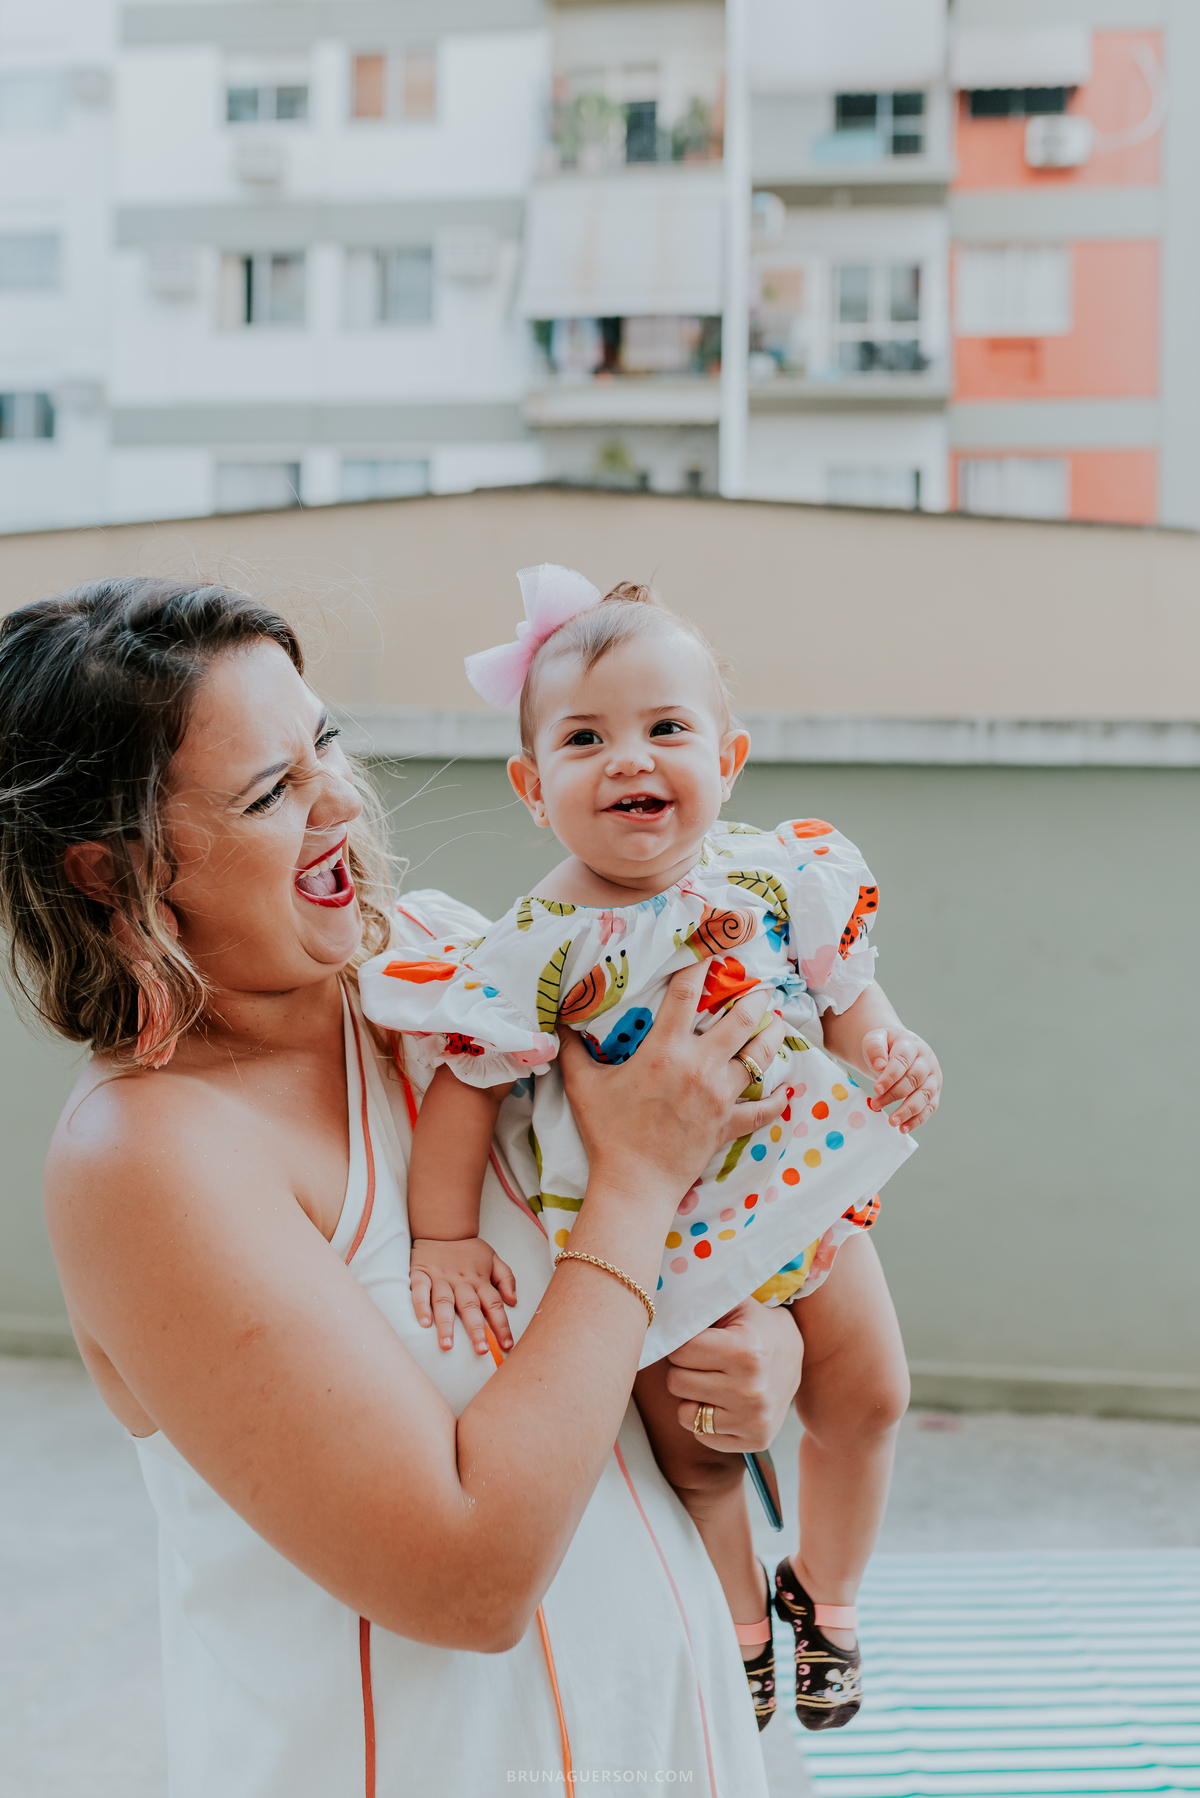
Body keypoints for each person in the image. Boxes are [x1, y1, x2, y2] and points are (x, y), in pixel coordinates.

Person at [0, 575, 818, 1796]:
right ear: (112, 873)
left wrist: (759, 1364)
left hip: (681, 1747)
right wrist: (636, 1189)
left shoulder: (449, 967)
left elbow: (651, 1299)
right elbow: (466, 1579)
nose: (339, 797)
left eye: (323, 740)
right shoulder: (152, 1155)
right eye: (271, 791)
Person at [361, 565, 943, 1733]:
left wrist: (892, 1048)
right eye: (586, 737)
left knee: (874, 1394)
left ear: (726, 760)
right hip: (661, 1242)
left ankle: (825, 1597)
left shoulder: (782, 876)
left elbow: (846, 1001)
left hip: (803, 1191)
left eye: (666, 727)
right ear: (535, 787)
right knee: (704, 1456)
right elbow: (469, 1087)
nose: (630, 757)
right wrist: (444, 1232)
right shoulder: (539, 942)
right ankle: (737, 1623)